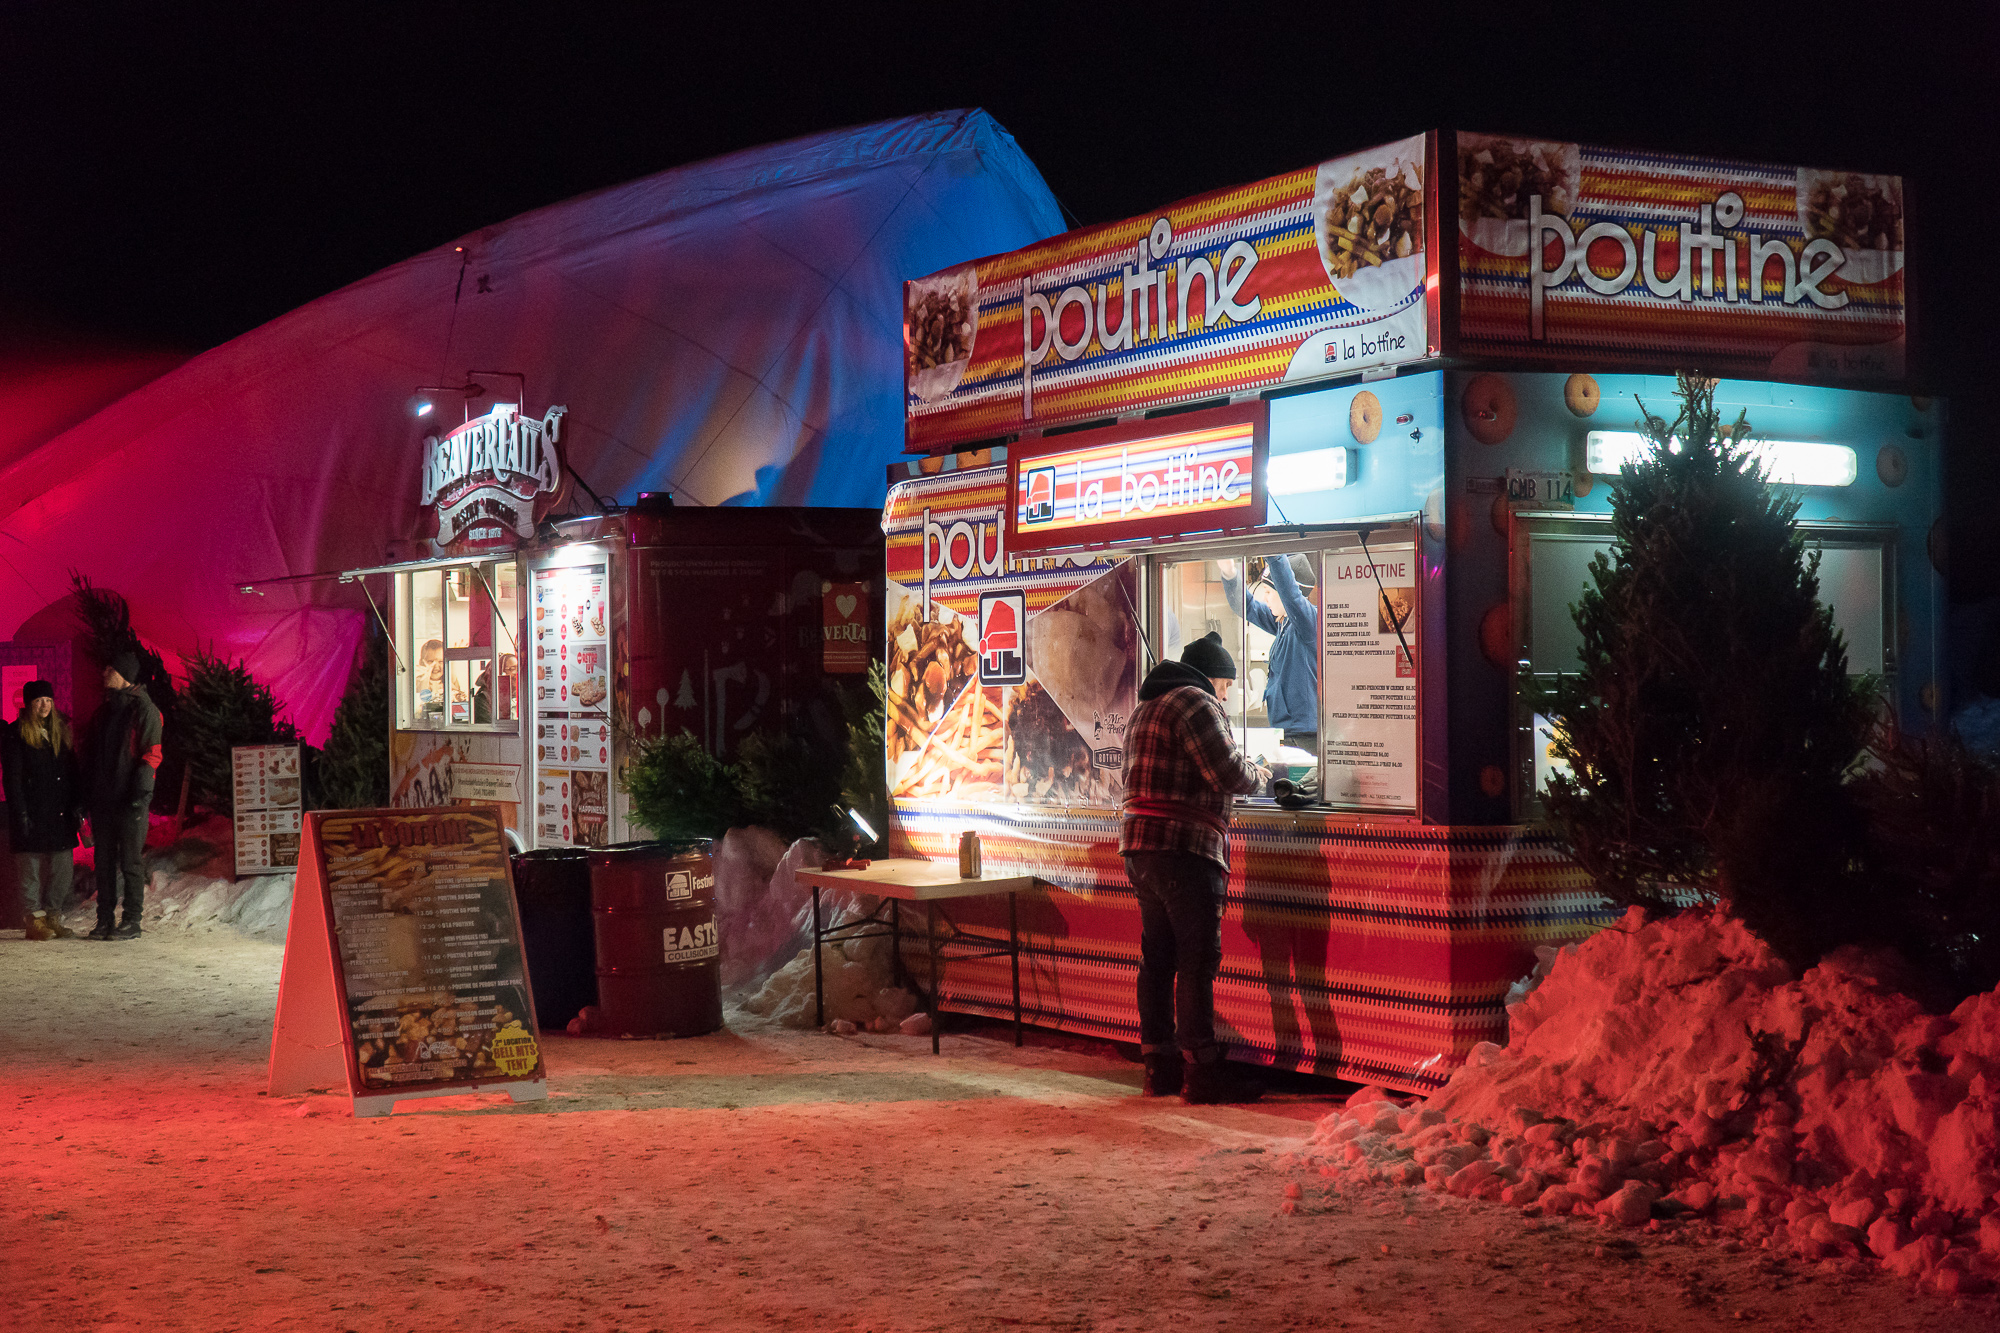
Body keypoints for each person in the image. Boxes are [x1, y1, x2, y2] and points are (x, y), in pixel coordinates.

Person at [1119, 630, 1268, 1104]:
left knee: (1158, 959)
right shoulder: (1196, 702)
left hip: (1141, 847)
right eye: (1226, 687)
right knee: (1196, 960)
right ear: (1213, 678)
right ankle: (1203, 1072)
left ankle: (1158, 1068)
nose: (1225, 697)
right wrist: (1265, 774)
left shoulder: (1149, 703)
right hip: (1183, 847)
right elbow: (1227, 772)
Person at [83, 651, 162, 941]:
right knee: (103, 862)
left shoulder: (144, 709)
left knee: (130, 862)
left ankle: (131, 920)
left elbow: (151, 753)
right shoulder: (103, 713)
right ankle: (104, 919)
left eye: (110, 668)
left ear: (123, 674)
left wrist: (140, 793)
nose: (104, 672)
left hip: (130, 800)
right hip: (104, 800)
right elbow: (91, 756)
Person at [3, 680, 84, 940]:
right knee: (31, 867)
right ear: (28, 704)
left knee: (62, 867)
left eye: (48, 700)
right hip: (32, 811)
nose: (44, 705)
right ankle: (34, 920)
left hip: (59, 812)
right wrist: (21, 813)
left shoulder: (60, 731)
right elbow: (12, 778)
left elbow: (71, 773)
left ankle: (52, 915)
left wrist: (77, 804)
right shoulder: (16, 734)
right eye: (39, 701)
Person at [1221, 554, 1319, 753]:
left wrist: (1273, 554)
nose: (1265, 599)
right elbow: (1247, 606)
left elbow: (1291, 595)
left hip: (1304, 737)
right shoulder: (1282, 623)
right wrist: (1229, 574)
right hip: (1283, 733)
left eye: (1268, 591)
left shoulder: (1309, 624)